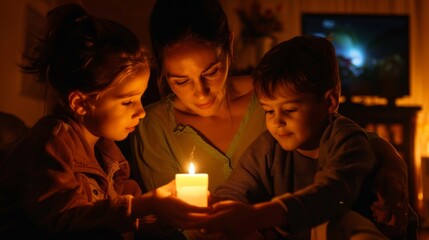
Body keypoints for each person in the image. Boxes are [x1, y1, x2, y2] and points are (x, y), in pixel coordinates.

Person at [0, 4, 208, 240]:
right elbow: (66, 218)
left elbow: (123, 219)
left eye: (140, 98)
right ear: (80, 103)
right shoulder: (51, 143)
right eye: (128, 101)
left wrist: (168, 217)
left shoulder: (110, 157)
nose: (141, 112)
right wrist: (145, 204)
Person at [190, 35, 411, 240]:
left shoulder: (347, 140)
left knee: (342, 222)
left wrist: (259, 215)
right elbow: (236, 189)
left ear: (330, 102)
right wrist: (219, 212)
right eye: (268, 111)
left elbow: (330, 195)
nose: (277, 121)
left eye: (290, 110)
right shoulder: (268, 146)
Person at [130, 0, 266, 194]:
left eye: (211, 73)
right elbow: (170, 218)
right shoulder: (154, 127)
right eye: (181, 81)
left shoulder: (272, 99)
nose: (201, 92)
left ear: (230, 45)